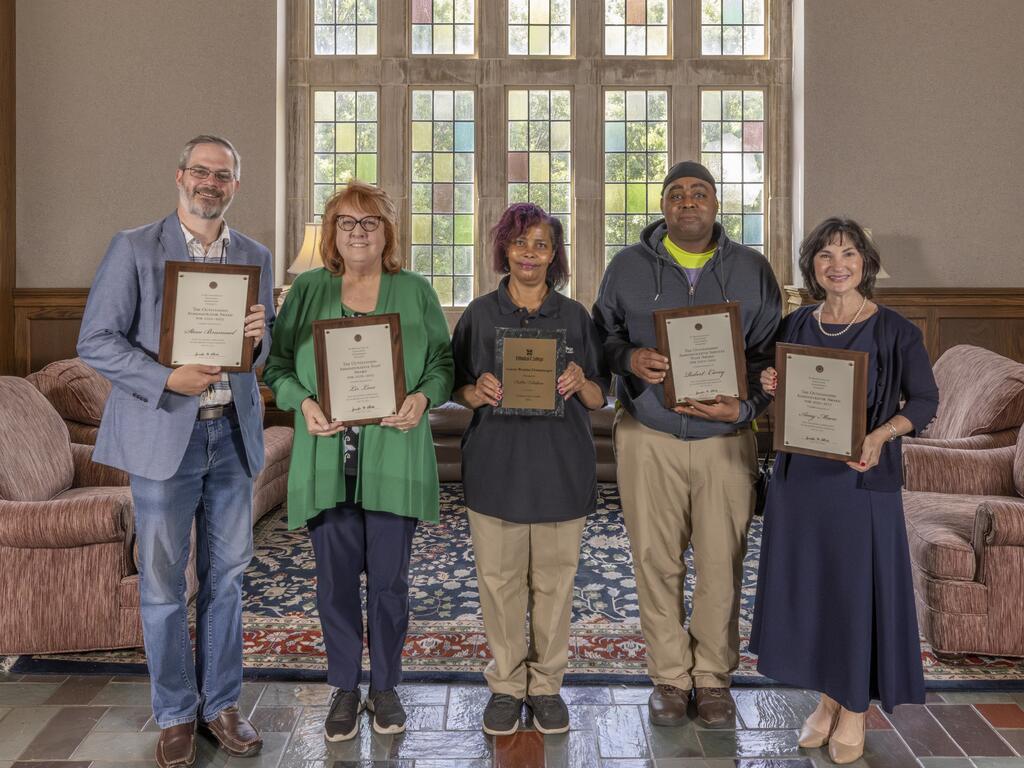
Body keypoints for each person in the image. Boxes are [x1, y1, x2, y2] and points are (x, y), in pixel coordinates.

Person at [77, 135, 273, 768]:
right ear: (181, 176)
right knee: (163, 585)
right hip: (166, 436)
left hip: (232, 434)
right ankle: (173, 713)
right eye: (201, 171)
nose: (210, 182)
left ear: (235, 186)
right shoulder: (134, 248)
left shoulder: (254, 255)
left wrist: (258, 338)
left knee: (229, 578)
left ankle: (220, 705)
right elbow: (96, 341)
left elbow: (259, 354)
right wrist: (166, 378)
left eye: (223, 175)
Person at [263, 180, 453, 743]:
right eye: (346, 222)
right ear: (332, 232)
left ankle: (386, 686)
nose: (358, 232)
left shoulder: (414, 290)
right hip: (328, 461)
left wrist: (422, 398)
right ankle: (346, 688)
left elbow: (443, 363)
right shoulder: (307, 292)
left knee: (391, 585)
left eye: (369, 222)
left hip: (394, 461)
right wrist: (306, 402)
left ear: (387, 230)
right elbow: (277, 369)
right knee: (335, 585)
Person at [592, 161, 781, 727]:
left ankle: (713, 678)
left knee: (722, 559)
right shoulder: (626, 266)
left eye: (700, 193)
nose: (689, 202)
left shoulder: (751, 268)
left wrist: (745, 408)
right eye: (677, 194)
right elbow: (601, 336)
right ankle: (671, 678)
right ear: (664, 207)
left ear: (716, 204)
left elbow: (772, 357)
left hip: (727, 438)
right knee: (656, 559)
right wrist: (629, 359)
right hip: (649, 432)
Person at [750, 217, 938, 764]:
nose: (838, 264)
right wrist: (770, 384)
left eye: (849, 254)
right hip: (802, 482)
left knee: (855, 592)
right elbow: (778, 395)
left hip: (861, 479)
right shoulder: (796, 324)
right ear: (812, 266)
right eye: (826, 255)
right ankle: (828, 700)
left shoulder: (896, 330)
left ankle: (855, 707)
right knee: (817, 590)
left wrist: (882, 435)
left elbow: (924, 403)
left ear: (866, 264)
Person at [451, 203, 610, 736]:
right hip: (496, 467)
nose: (529, 253)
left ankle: (545, 687)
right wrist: (479, 390)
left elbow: (597, 395)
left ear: (554, 255)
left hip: (561, 467)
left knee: (555, 585)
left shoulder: (574, 316)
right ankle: (505, 685)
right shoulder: (479, 313)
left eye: (541, 244)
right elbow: (458, 386)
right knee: (498, 585)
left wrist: (577, 381)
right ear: (504, 249)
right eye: (520, 243)